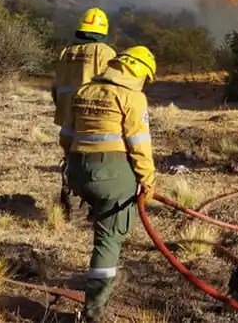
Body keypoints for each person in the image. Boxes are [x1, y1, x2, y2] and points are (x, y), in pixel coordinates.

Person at [59, 46, 157, 323]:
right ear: (138, 72)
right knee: (109, 239)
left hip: (77, 170)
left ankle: (106, 271)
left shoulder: (85, 90)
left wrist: (74, 166)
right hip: (111, 174)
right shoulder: (132, 97)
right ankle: (94, 311)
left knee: (104, 225)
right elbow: (139, 146)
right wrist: (147, 181)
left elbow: (65, 136)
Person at [52, 8, 117, 220]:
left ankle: (70, 205)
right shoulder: (105, 53)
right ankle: (92, 205)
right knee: (95, 161)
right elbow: (115, 88)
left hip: (67, 117)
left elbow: (56, 87)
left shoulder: (66, 53)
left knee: (71, 159)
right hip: (92, 117)